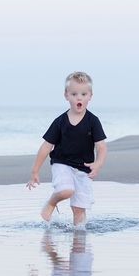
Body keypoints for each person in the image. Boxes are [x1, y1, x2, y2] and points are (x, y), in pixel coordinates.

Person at [26, 72, 107, 226]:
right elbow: (46, 146)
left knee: (79, 209)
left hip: (84, 169)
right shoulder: (60, 122)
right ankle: (51, 203)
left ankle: (78, 242)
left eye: (83, 94)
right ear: (66, 96)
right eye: (74, 94)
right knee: (66, 191)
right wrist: (34, 171)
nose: (79, 98)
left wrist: (98, 163)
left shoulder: (93, 121)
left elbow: (101, 147)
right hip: (62, 163)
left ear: (90, 96)